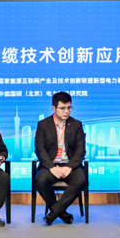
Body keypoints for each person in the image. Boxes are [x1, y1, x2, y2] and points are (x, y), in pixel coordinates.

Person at [34, 92, 86, 226]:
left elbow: (81, 150)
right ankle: (62, 213)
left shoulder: (76, 125)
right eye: (62, 108)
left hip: (70, 165)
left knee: (81, 180)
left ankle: (54, 212)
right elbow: (40, 149)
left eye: (69, 108)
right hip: (50, 165)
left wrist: (69, 167)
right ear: (54, 108)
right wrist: (52, 167)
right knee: (41, 180)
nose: (66, 111)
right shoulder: (43, 125)